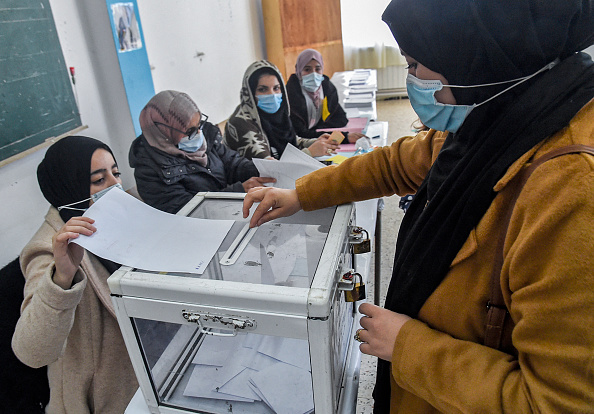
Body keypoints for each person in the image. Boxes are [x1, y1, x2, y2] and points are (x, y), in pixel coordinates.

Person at [242, 0, 594, 412]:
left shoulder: (572, 191)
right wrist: (301, 193)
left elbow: (556, 402)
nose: (411, 79)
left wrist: (409, 346)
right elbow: (393, 164)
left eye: (415, 65)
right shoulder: (499, 116)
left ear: (472, 64)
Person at [12, 136, 138, 413]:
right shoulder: (48, 248)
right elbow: (32, 351)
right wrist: (62, 279)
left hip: (144, 371)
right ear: (68, 183)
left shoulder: (111, 221)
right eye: (98, 180)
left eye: (115, 174)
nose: (116, 186)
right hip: (104, 396)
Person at [129, 90, 275, 213]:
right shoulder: (148, 170)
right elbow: (187, 210)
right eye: (190, 130)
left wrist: (262, 169)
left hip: (229, 215)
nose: (199, 133)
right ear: (164, 132)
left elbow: (231, 163)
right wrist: (239, 190)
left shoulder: (207, 138)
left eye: (199, 125)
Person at [223, 60, 339, 160]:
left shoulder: (277, 115)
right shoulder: (241, 123)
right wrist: (310, 152)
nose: (272, 94)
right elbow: (270, 169)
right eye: (262, 89)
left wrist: (315, 142)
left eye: (276, 88)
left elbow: (291, 142)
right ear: (250, 93)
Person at [286, 48, 365, 144]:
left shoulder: (326, 87)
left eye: (318, 69)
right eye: (307, 69)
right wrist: (343, 137)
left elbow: (341, 118)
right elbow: (301, 133)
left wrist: (318, 129)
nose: (313, 74)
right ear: (298, 70)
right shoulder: (291, 94)